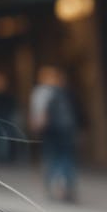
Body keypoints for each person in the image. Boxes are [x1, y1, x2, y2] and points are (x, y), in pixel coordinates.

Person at [29, 65, 78, 201]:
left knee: (51, 158)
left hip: (51, 130)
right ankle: (67, 188)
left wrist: (36, 128)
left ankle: (52, 188)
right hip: (66, 130)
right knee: (66, 157)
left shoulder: (41, 92)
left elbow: (39, 114)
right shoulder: (63, 91)